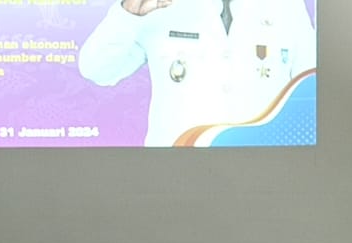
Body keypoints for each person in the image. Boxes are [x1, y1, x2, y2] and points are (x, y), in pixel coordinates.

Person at [79, 0, 316, 147]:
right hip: (176, 180)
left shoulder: (287, 5)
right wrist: (128, 15)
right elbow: (96, 69)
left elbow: (312, 92)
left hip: (262, 178)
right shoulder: (157, 4)